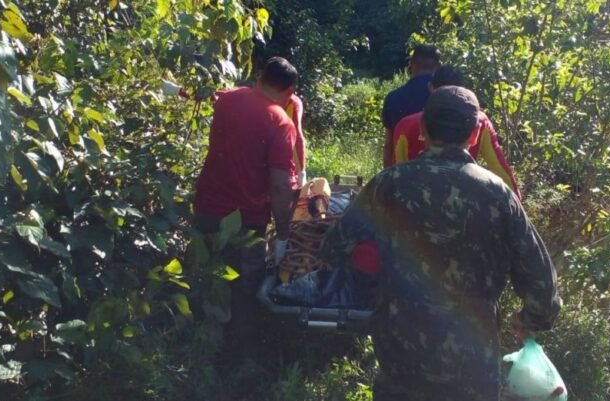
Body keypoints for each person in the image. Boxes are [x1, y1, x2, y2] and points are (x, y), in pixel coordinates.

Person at [322, 86, 562, 401]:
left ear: (423, 129)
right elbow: (543, 287)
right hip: (470, 361)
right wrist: (530, 320)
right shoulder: (497, 195)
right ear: (476, 133)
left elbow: (334, 249)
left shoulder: (389, 184)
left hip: (400, 353)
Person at [187, 57, 299, 354]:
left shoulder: (229, 98)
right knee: (243, 292)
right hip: (245, 223)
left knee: (204, 278)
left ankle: (197, 347)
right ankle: (238, 357)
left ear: (259, 77)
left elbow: (203, 92)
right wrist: (283, 236)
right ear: (289, 91)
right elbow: (278, 185)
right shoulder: (280, 121)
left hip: (206, 209)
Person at [391, 66, 522, 199]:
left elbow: (396, 178)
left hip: (416, 205)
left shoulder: (406, 126)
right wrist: (516, 206)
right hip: (464, 204)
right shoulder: (479, 122)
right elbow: (502, 172)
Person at [162, 75, 307, 187]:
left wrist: (301, 174)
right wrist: (178, 91)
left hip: (277, 154)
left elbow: (298, 138)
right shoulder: (251, 98)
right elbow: (215, 95)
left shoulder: (292, 104)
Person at [381, 44, 441, 168]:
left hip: (402, 173)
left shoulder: (393, 97)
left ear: (412, 65)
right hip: (438, 172)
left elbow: (389, 146)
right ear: (438, 66)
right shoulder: (446, 98)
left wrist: (387, 179)